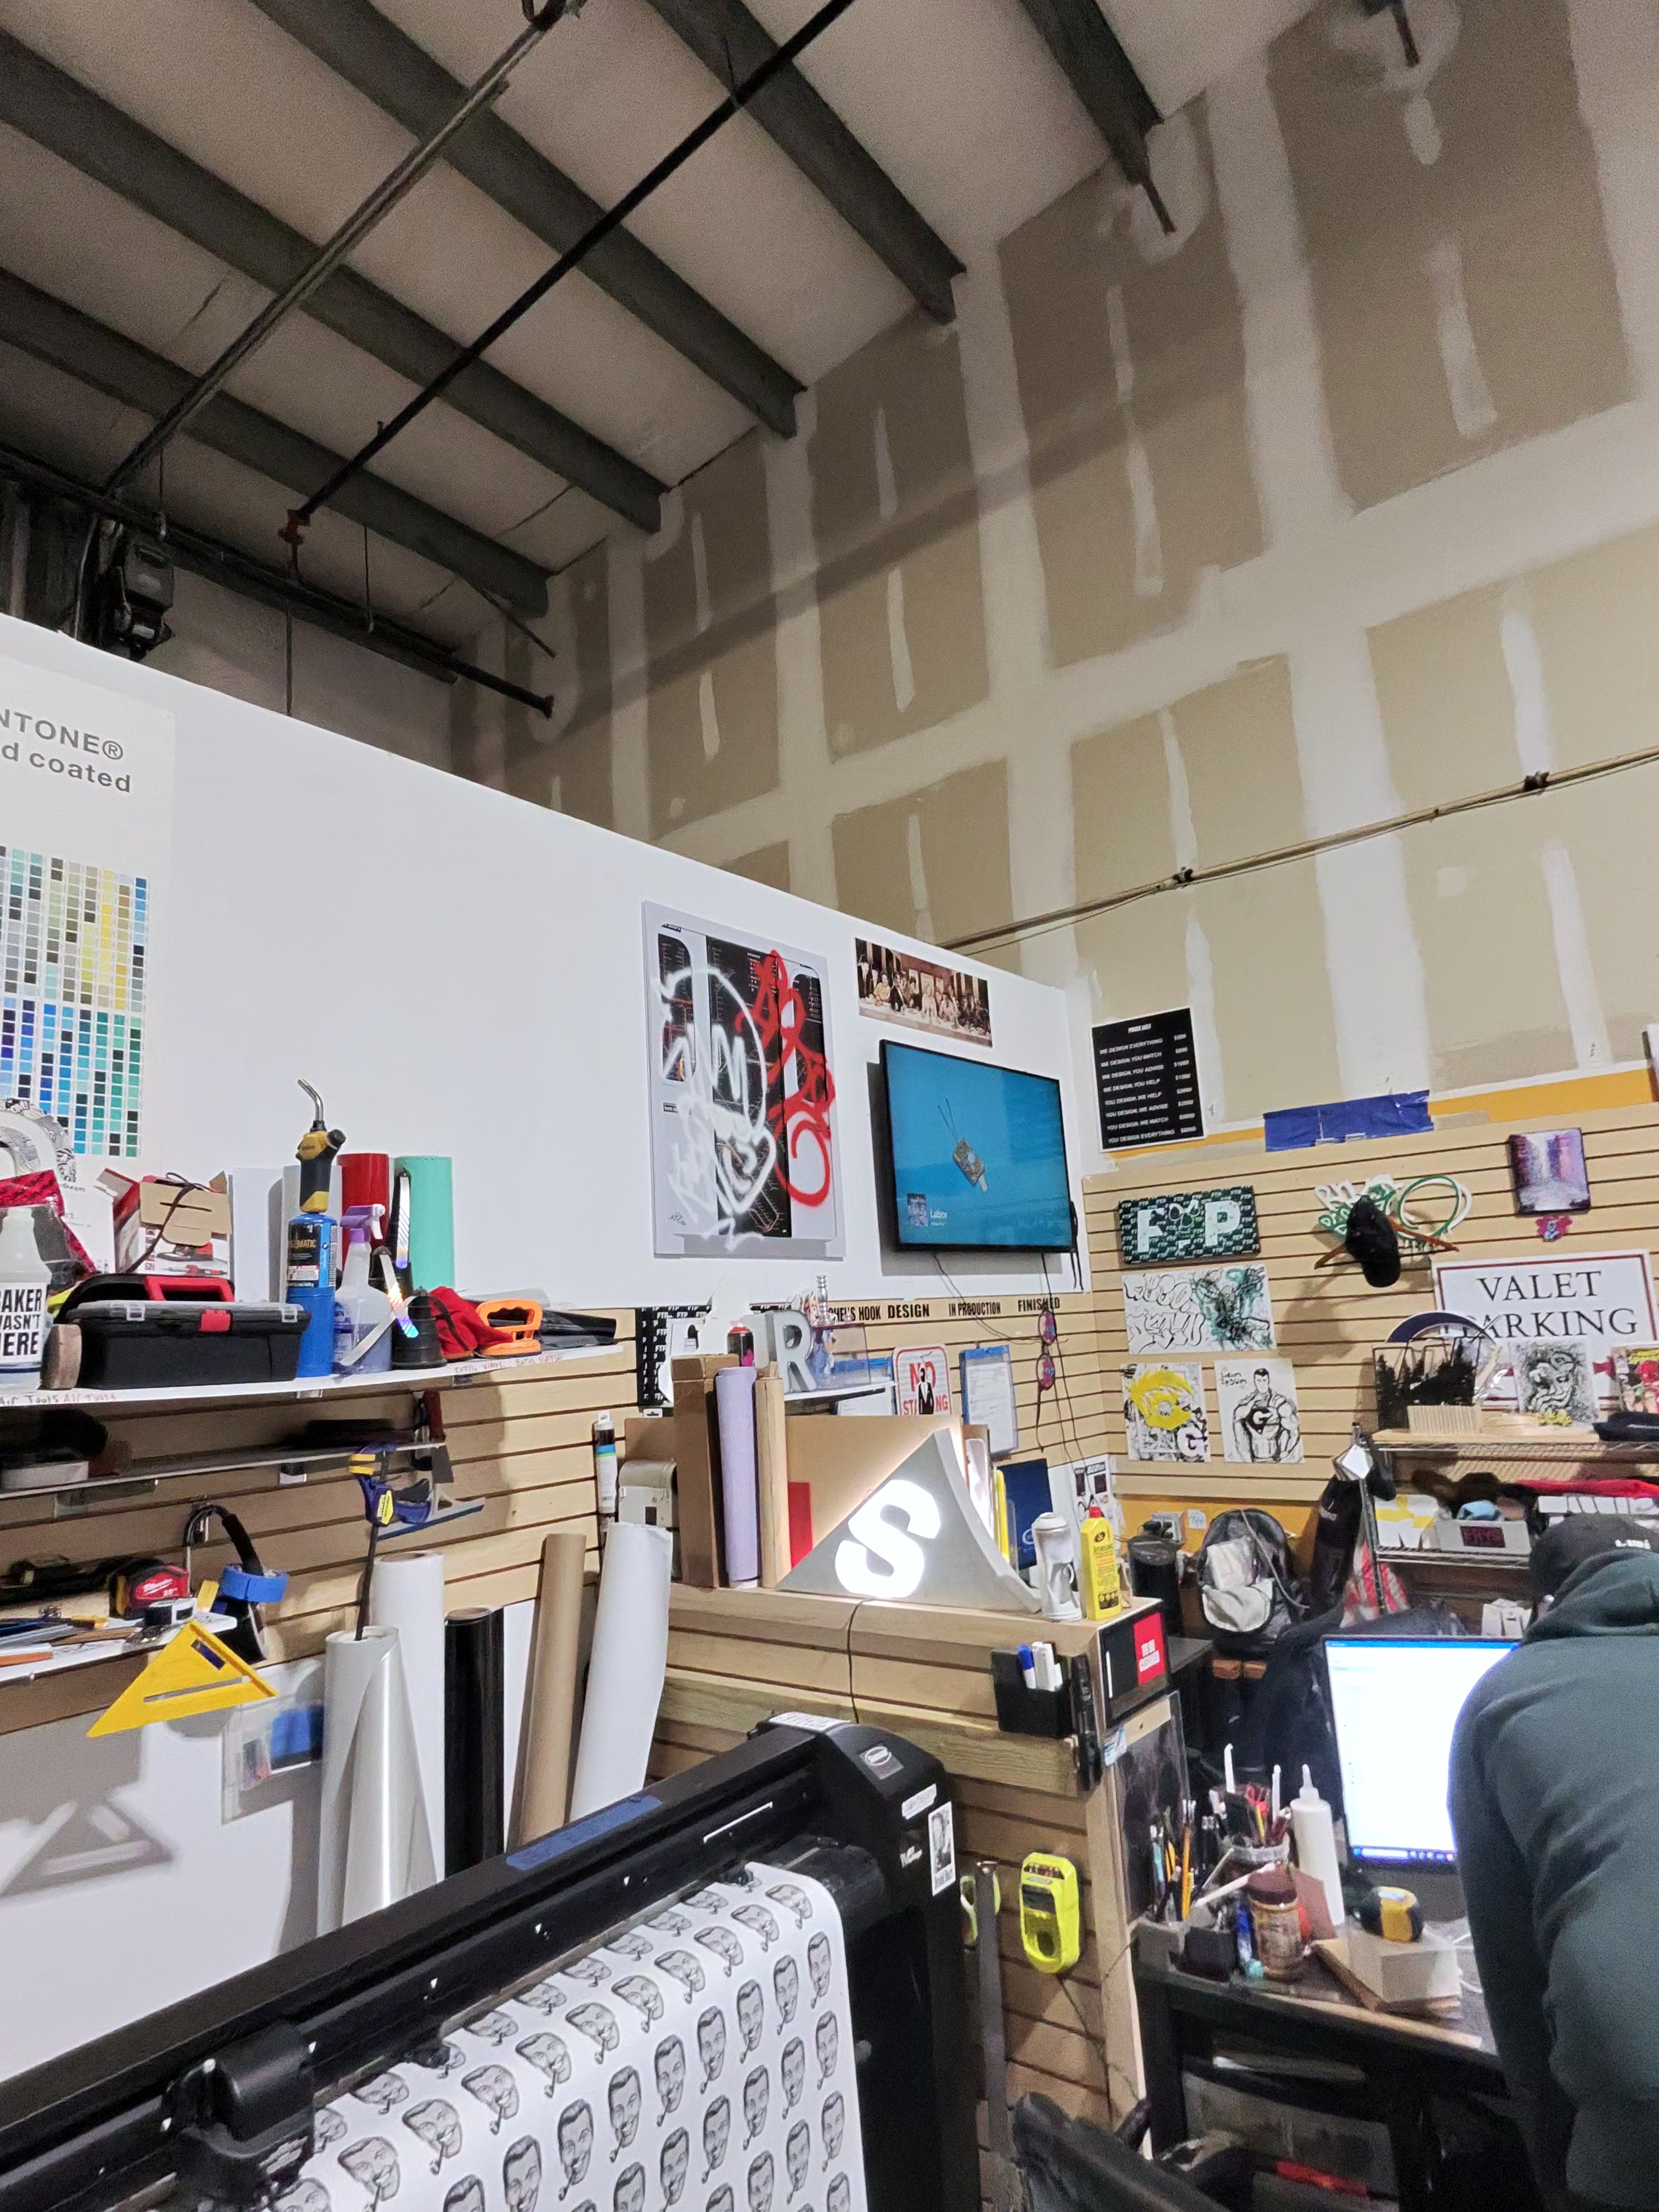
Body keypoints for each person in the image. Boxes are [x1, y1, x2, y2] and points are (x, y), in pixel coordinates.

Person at [1449, 1516, 1659, 2211]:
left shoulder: (1502, 1697)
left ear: (1545, 1605)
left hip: (1639, 2099)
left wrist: (1555, 2183)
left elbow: (1511, 1983)